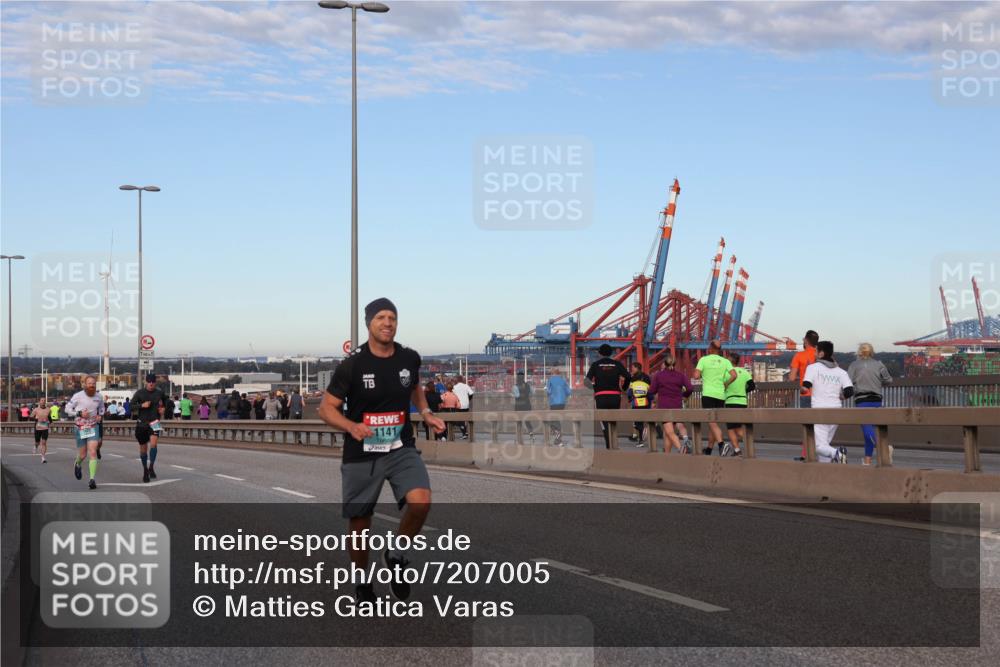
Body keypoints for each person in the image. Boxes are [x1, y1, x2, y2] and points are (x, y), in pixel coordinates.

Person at [316, 297, 445, 604]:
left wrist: (425, 412)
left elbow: (414, 386)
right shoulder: (353, 365)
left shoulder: (409, 358)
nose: (388, 323)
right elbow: (325, 409)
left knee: (420, 502)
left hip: (401, 447)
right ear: (369, 323)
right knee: (360, 520)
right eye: (381, 318)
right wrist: (351, 426)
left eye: (393, 317)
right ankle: (362, 582)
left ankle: (397, 554)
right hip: (362, 452)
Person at [803, 341, 853, 464]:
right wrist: (841, 397)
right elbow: (850, 391)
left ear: (821, 353)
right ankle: (825, 475)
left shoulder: (812, 368)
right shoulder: (841, 372)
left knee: (818, 447)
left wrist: (803, 390)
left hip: (820, 412)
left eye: (816, 351)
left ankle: (837, 453)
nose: (814, 354)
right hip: (836, 412)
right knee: (825, 445)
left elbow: (806, 386)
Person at [848, 343, 893, 466]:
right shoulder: (879, 364)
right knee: (871, 429)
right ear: (872, 352)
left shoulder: (854, 365)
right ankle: (867, 460)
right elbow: (889, 380)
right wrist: (877, 383)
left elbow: (848, 382)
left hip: (862, 400)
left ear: (859, 352)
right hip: (877, 399)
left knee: (867, 429)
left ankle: (884, 449)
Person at [693, 340, 737, 455]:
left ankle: (722, 444)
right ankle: (709, 449)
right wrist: (726, 384)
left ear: (710, 348)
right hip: (721, 396)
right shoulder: (725, 361)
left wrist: (703, 374)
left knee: (711, 422)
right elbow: (734, 375)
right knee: (714, 423)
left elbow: (696, 376)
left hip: (708, 394)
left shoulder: (703, 360)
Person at [585, 345, 630, 449]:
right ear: (611, 353)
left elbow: (586, 381)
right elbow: (628, 376)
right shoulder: (617, 364)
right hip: (615, 396)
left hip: (601, 397)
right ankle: (614, 446)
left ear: (600, 353)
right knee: (613, 421)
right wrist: (624, 387)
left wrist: (595, 388)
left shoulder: (596, 365)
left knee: (604, 423)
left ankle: (609, 447)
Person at [65, 376, 105, 490]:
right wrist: (79, 414)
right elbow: (67, 409)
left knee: (93, 452)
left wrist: (100, 416)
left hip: (93, 426)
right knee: (83, 455)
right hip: (80, 427)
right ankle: (77, 463)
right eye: (89, 383)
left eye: (93, 383)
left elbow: (102, 408)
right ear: (85, 385)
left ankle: (92, 479)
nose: (92, 385)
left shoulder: (99, 396)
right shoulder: (78, 396)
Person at [649, 354, 694, 453]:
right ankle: (667, 456)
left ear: (664, 364)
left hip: (665, 407)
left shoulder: (659, 376)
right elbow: (690, 388)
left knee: (669, 432)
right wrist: (684, 395)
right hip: (677, 406)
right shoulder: (680, 375)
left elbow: (652, 391)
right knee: (667, 433)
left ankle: (681, 448)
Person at [788, 329, 819, 460]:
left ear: (806, 341)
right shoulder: (820, 355)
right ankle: (821, 452)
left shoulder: (799, 356)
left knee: (807, 425)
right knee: (820, 426)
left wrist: (801, 378)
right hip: (821, 395)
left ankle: (805, 455)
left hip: (806, 394)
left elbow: (791, 377)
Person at [132, 373, 166, 483]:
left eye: (153, 382)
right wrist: (141, 405)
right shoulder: (139, 393)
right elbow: (130, 406)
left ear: (155, 382)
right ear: (146, 382)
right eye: (149, 382)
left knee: (154, 444)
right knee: (143, 449)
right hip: (142, 423)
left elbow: (167, 402)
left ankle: (151, 466)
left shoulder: (159, 393)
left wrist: (163, 409)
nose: (151, 384)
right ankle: (145, 470)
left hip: (154, 422)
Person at [723, 352, 756, 457]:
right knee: (738, 427)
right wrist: (743, 391)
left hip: (730, 402)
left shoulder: (727, 373)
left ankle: (737, 450)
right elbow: (752, 386)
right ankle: (749, 446)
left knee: (731, 428)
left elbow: (721, 386)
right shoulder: (744, 372)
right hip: (742, 402)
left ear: (730, 361)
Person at [627, 362, 661, 446]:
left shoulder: (633, 378)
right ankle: (654, 432)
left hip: (636, 402)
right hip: (646, 402)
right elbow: (650, 390)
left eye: (633, 368)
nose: (632, 369)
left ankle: (641, 438)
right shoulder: (647, 377)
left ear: (637, 368)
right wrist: (652, 401)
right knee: (647, 418)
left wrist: (629, 399)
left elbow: (630, 391)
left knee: (638, 421)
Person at [544, 368, 571, 446]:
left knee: (553, 420)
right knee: (556, 419)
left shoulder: (550, 380)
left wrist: (550, 394)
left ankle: (558, 439)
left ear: (552, 373)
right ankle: (557, 437)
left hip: (554, 403)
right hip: (562, 403)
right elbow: (569, 392)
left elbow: (548, 391)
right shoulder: (563, 380)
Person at [512, 372, 537, 442]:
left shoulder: (515, 386)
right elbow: (533, 393)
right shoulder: (528, 385)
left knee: (518, 422)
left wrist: (512, 394)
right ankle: (532, 436)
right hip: (527, 405)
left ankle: (518, 438)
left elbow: (517, 396)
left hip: (519, 406)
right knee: (528, 421)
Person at [31, 399, 51, 463]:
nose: (43, 402)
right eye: (42, 400)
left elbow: (49, 417)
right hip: (38, 428)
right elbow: (31, 417)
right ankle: (35, 446)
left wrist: (51, 422)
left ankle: (43, 458)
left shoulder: (48, 409)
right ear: (39, 402)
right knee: (37, 442)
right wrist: (36, 419)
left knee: (44, 443)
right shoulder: (36, 409)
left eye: (44, 401)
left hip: (45, 428)